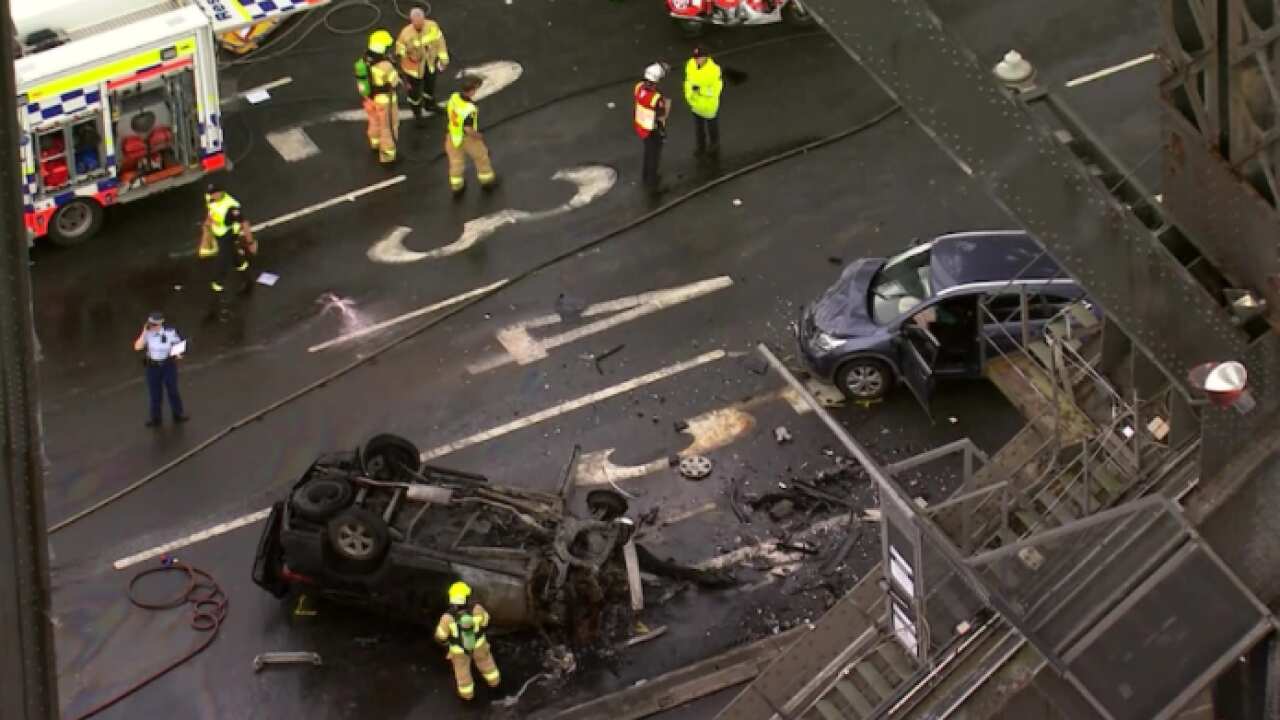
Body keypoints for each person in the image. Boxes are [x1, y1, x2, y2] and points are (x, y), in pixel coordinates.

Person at [433, 581, 501, 700]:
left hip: (459, 651)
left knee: (462, 672)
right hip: (479, 645)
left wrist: (445, 643)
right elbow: (486, 622)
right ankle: (495, 682)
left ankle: (467, 695)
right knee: (486, 663)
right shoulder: (477, 609)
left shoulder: (447, 617)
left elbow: (441, 636)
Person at [444, 76, 498, 195]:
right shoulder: (469, 108)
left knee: (456, 162)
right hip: (467, 138)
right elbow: (468, 128)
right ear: (472, 90)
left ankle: (457, 187)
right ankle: (487, 182)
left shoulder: (454, 98)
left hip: (452, 136)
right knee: (481, 157)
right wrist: (478, 136)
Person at [133, 311, 187, 427]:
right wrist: (144, 332)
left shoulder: (170, 332)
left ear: (161, 323)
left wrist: (177, 354)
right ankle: (155, 418)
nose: (153, 327)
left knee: (172, 390)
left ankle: (178, 413)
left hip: (168, 364)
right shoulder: (147, 333)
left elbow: (177, 344)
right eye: (151, 324)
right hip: (153, 367)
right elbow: (137, 347)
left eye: (155, 325)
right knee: (155, 393)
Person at [396, 8, 449, 123]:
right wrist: (409, 53)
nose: (419, 25)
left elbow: (440, 43)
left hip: (429, 64)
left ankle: (430, 105)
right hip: (413, 70)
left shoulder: (432, 26)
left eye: (421, 22)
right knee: (414, 95)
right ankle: (417, 114)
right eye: (416, 23)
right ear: (411, 21)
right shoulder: (405, 34)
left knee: (430, 87)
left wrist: (443, 60)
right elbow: (399, 51)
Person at [358, 30, 401, 164]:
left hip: (370, 99)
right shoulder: (385, 65)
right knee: (388, 127)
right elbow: (394, 82)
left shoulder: (364, 60)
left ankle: (375, 143)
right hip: (385, 101)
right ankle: (388, 157)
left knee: (374, 122)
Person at [634, 62, 672, 193]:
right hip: (652, 129)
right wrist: (663, 131)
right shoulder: (656, 98)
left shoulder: (638, 88)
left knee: (647, 152)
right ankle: (652, 181)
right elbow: (661, 115)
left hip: (640, 127)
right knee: (654, 155)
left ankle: (645, 176)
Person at [683, 47, 723, 157]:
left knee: (711, 127)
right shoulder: (690, 65)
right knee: (698, 129)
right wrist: (688, 96)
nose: (697, 60)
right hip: (696, 105)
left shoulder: (714, 70)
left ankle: (714, 144)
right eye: (695, 57)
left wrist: (700, 90)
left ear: (706, 56)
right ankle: (701, 146)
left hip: (708, 106)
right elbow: (687, 82)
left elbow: (716, 89)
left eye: (699, 57)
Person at [199, 183, 239, 261]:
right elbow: (210, 208)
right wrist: (209, 217)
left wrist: (214, 222)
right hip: (218, 227)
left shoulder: (231, 205)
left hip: (228, 229)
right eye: (211, 193)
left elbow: (229, 224)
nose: (213, 195)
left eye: (215, 193)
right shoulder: (209, 197)